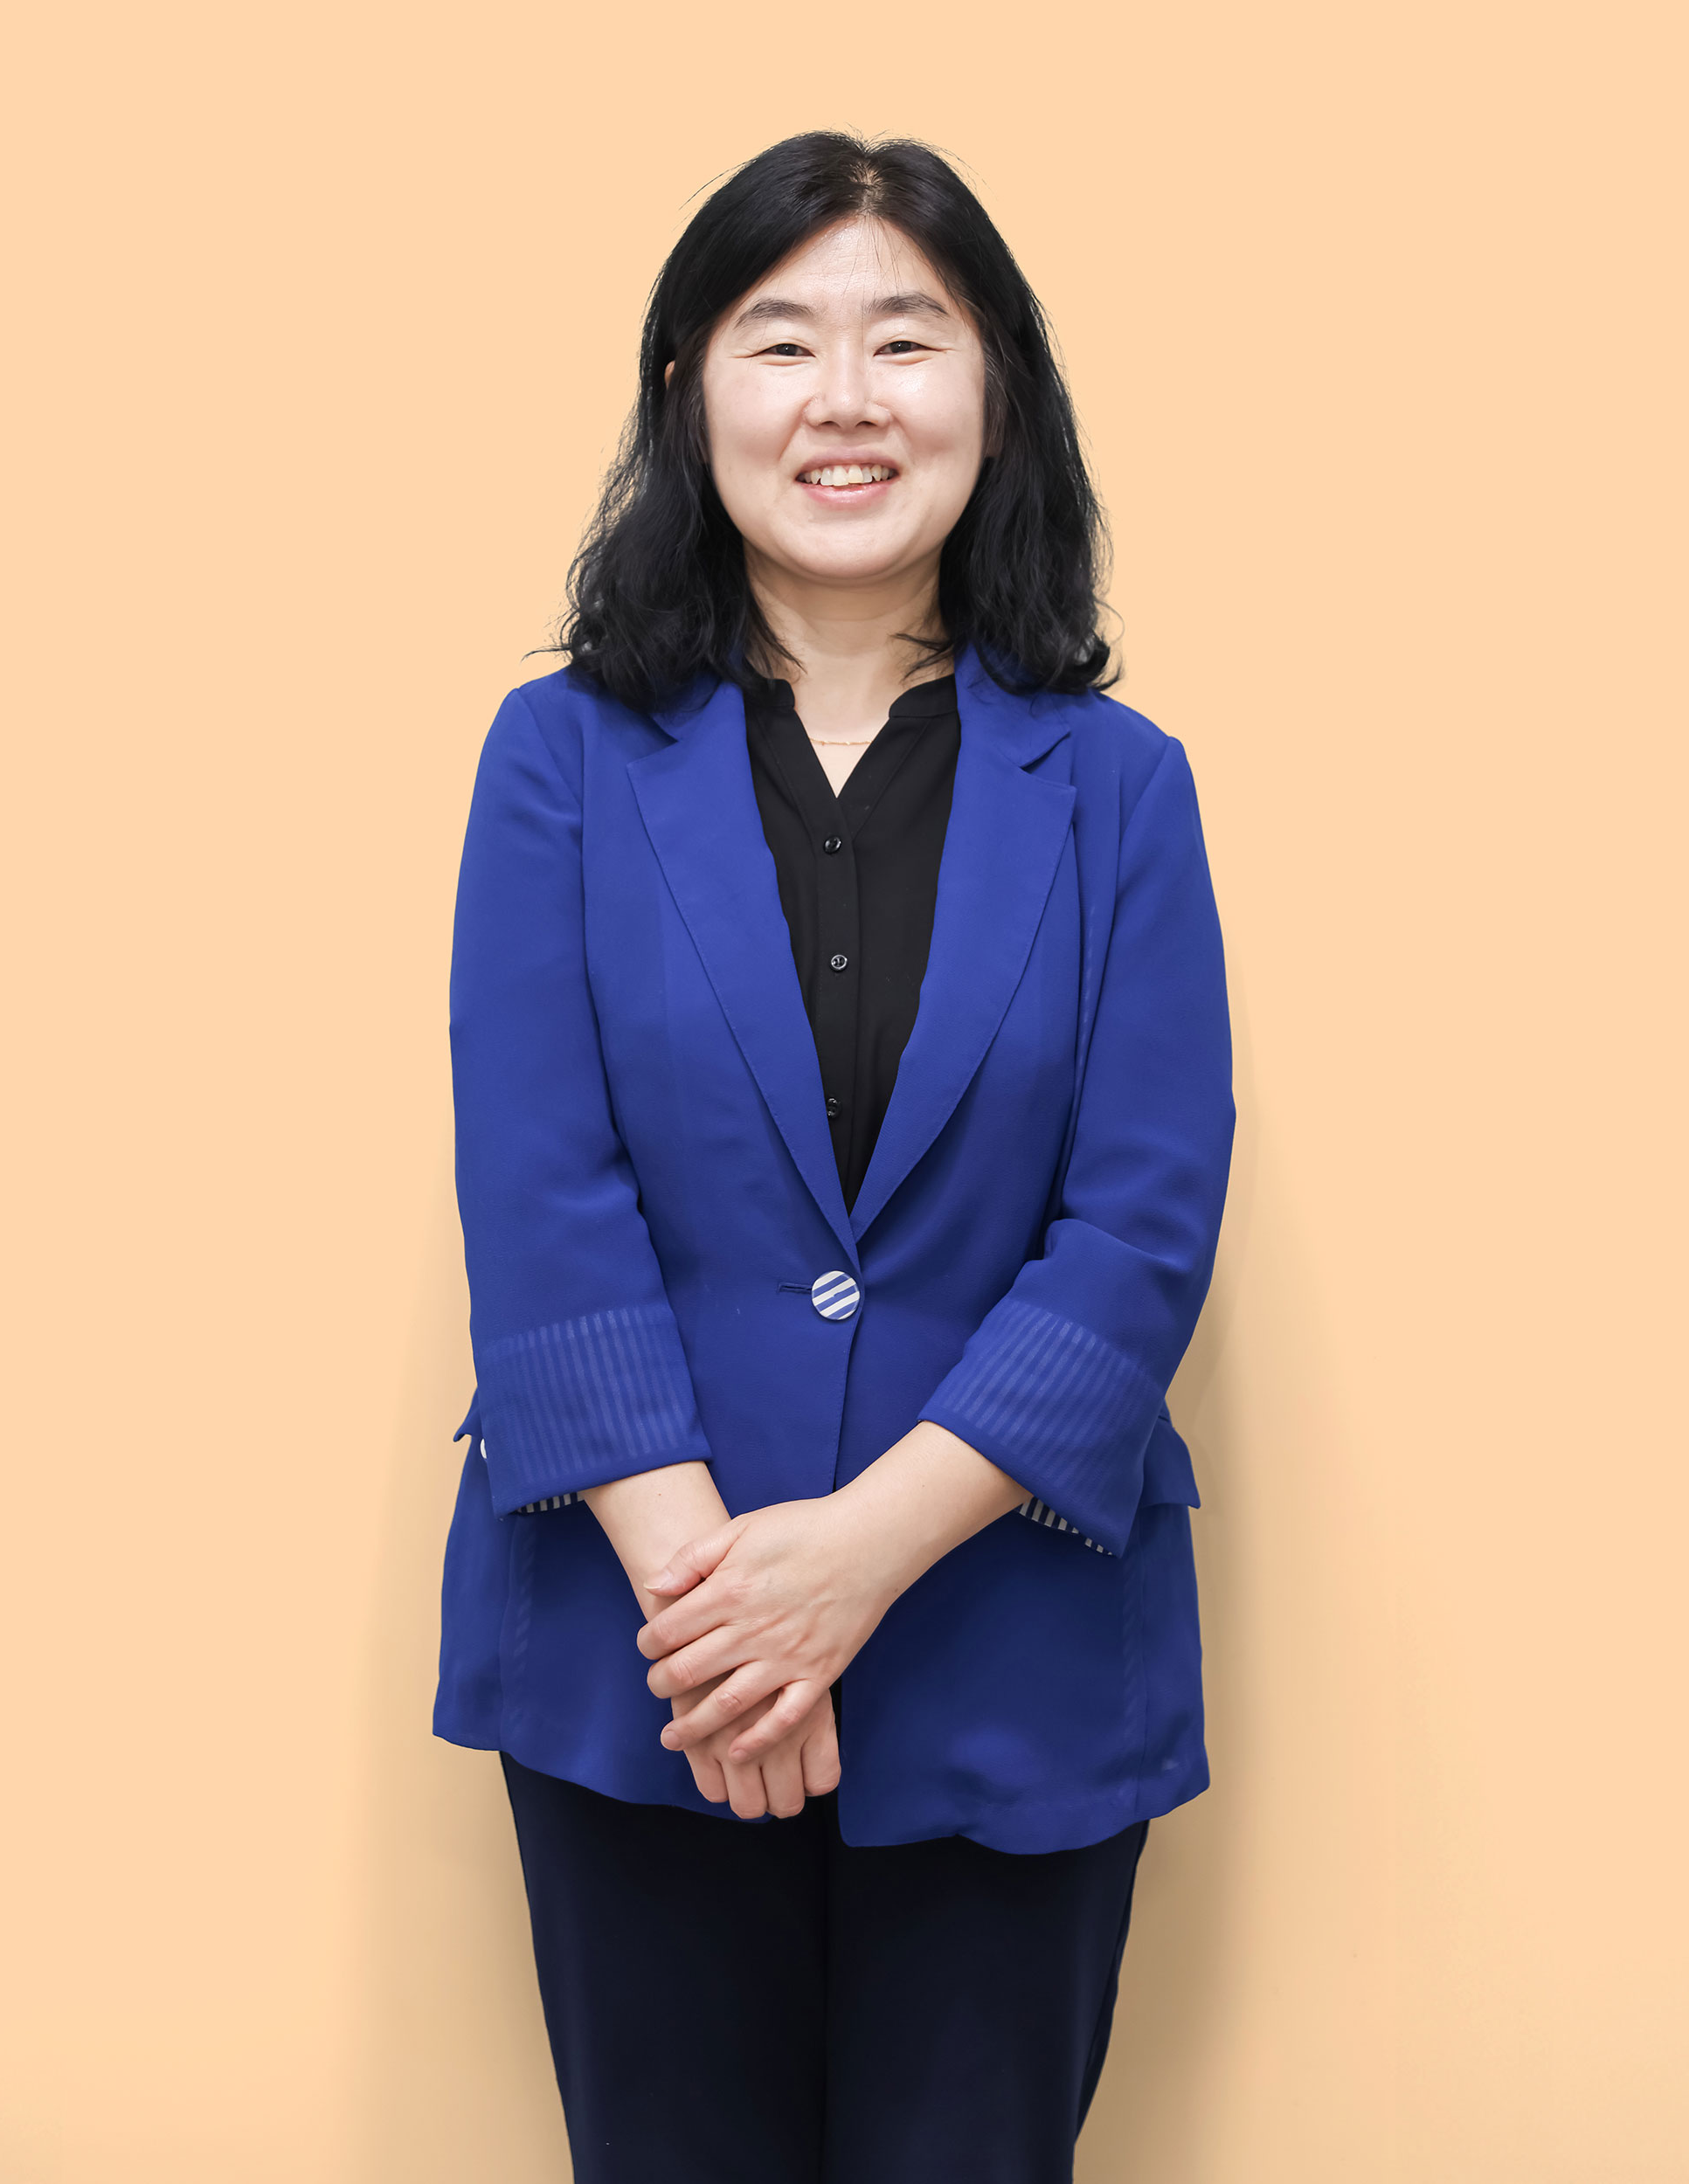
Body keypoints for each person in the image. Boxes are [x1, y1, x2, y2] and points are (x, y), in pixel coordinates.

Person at [433, 130, 1235, 2184]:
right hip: (643, 1653)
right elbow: (541, 1196)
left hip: (1005, 1645)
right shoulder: (559, 759)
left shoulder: (1122, 787)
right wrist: (725, 1618)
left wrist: (851, 1562)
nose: (845, 398)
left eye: (907, 337)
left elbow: (1139, 1224)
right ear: (687, 391)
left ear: (998, 392)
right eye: (780, 341)